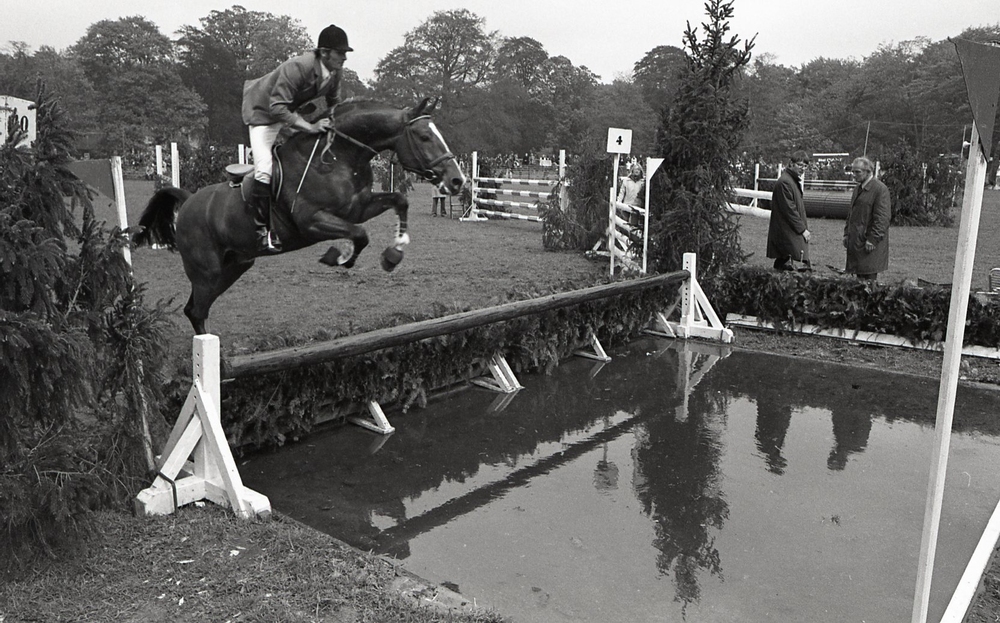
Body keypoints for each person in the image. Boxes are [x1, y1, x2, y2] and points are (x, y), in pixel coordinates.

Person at [241, 24, 352, 253]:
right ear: (324, 52)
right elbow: (276, 108)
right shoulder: (298, 66)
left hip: (289, 114)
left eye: (345, 53)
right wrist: (310, 126)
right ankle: (261, 231)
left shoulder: (335, 72)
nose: (344, 58)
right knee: (264, 168)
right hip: (263, 114)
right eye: (340, 53)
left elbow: (334, 103)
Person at [843, 156, 891, 281]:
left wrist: (873, 239)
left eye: (857, 172)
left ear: (868, 171)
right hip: (856, 242)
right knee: (858, 281)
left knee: (868, 281)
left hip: (868, 245)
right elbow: (851, 214)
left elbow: (882, 218)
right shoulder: (857, 189)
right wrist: (846, 234)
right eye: (853, 171)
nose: (854, 175)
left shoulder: (880, 189)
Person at [766, 151, 811, 271]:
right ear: (791, 163)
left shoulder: (791, 181)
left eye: (805, 166)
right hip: (787, 233)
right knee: (792, 267)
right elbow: (789, 210)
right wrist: (802, 229)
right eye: (800, 165)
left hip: (789, 232)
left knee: (788, 265)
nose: (803, 168)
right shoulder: (785, 182)